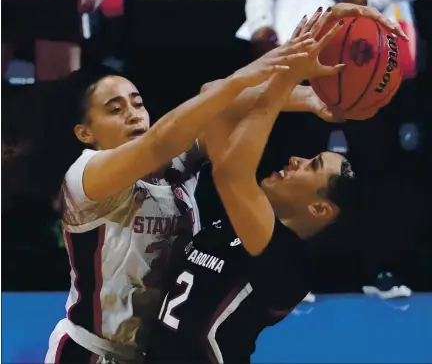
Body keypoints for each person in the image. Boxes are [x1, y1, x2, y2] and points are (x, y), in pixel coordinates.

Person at [42, 34, 318, 363]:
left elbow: (224, 106)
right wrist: (242, 79)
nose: (133, 114)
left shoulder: (176, 162)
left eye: (138, 103)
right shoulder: (84, 174)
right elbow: (163, 137)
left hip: (156, 353)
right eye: (115, 110)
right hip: (92, 352)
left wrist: (313, 99)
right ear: (86, 133)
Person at [144, 10, 357, 364]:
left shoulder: (287, 260)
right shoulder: (238, 225)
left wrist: (286, 79)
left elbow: (230, 174)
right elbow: (212, 97)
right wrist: (310, 100)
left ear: (319, 209)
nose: (295, 160)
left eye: (312, 166)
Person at [237, 0, 431, 56]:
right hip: (295, 13)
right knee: (297, 127)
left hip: (372, 12)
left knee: (372, 127)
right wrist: (259, 21)